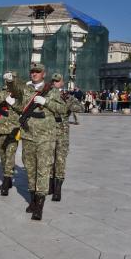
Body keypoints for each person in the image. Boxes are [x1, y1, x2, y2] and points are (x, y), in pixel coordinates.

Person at [4, 63, 64, 220]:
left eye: (38, 72)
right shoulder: (26, 89)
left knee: (43, 170)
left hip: (46, 137)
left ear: (44, 74)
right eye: (32, 72)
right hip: (28, 136)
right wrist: (10, 84)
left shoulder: (52, 90)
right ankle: (32, 200)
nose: (34, 74)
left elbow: (62, 109)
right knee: (30, 170)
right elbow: (20, 104)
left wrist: (46, 102)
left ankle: (40, 205)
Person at [51, 73, 83, 201]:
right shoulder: (46, 95)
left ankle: (57, 189)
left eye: (58, 81)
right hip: (47, 132)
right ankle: (49, 185)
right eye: (54, 81)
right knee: (48, 160)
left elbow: (80, 108)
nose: (55, 83)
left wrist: (68, 102)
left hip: (62, 134)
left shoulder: (67, 96)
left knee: (60, 160)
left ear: (62, 83)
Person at [0, 71, 20, 196]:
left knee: (10, 155)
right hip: (1, 128)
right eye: (7, 78)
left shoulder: (19, 92)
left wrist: (15, 103)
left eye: (11, 78)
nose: (9, 80)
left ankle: (6, 181)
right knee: (3, 156)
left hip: (14, 128)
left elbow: (22, 107)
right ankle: (7, 177)